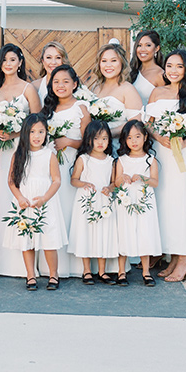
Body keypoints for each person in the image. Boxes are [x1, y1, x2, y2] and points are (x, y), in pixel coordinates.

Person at [145, 49, 186, 282]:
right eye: (169, 66)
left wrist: (183, 142)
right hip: (158, 153)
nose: (173, 71)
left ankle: (184, 259)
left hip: (180, 155)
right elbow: (147, 123)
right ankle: (173, 256)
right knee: (162, 203)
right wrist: (159, 137)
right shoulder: (157, 93)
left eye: (179, 66)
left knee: (177, 204)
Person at [0, 44, 41, 278]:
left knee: (13, 195)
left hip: (16, 149)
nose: (8, 63)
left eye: (13, 59)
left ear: (20, 62)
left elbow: (37, 122)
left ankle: (17, 261)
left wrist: (16, 134)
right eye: (4, 59)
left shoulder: (28, 89)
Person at [5, 113, 66, 291]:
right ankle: (30, 274)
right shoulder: (19, 155)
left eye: (41, 131)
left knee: (49, 239)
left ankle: (54, 274)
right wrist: (20, 198)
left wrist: (45, 198)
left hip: (44, 202)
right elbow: (11, 181)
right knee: (27, 238)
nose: (37, 136)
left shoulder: (49, 155)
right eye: (32, 132)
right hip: (25, 201)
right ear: (25, 133)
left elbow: (56, 180)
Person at [42, 64, 90, 278]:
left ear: (75, 84)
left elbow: (89, 141)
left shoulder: (81, 107)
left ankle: (77, 265)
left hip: (72, 164)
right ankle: (52, 266)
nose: (60, 86)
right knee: (54, 210)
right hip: (50, 167)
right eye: (56, 82)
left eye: (65, 81)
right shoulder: (48, 109)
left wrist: (68, 142)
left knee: (71, 210)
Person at [68, 121, 119, 285]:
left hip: (103, 201)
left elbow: (114, 182)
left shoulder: (111, 161)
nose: (100, 142)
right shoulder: (84, 159)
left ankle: (102, 271)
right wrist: (84, 184)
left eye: (104, 139)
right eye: (97, 138)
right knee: (87, 232)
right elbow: (74, 180)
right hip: (86, 201)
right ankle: (86, 270)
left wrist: (110, 188)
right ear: (89, 139)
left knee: (103, 233)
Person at [114, 120, 161, 286]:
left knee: (144, 232)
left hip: (144, 199)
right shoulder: (121, 160)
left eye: (137, 136)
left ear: (145, 137)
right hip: (126, 200)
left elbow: (155, 182)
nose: (134, 141)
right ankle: (121, 272)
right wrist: (122, 178)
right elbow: (116, 182)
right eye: (129, 138)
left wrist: (143, 178)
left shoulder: (150, 159)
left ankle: (146, 271)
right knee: (124, 231)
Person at [91, 42, 144, 138]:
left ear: (122, 63)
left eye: (113, 60)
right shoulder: (95, 87)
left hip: (118, 145)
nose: (108, 65)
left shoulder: (128, 89)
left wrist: (108, 134)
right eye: (104, 61)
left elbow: (135, 122)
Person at [129, 30, 166, 106]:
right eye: (139, 45)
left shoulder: (160, 74)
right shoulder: (133, 70)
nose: (142, 49)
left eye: (148, 45)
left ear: (157, 48)